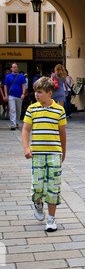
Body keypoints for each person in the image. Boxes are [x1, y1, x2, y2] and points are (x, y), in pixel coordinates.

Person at [22, 76, 67, 232]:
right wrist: (26, 148)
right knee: (38, 186)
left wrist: (63, 152)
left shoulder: (59, 110)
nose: (36, 95)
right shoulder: (32, 109)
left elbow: (62, 133)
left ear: (49, 93)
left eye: (40, 92)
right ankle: (38, 203)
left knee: (53, 186)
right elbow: (26, 129)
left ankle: (51, 219)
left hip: (54, 153)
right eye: (35, 92)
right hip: (38, 154)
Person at [3, 62, 26, 130]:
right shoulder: (8, 76)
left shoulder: (21, 76)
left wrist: (23, 93)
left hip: (19, 95)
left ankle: (17, 122)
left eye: (16, 67)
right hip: (11, 95)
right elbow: (5, 86)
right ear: (11, 68)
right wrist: (6, 95)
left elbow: (23, 85)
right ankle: (13, 124)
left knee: (18, 110)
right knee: (12, 109)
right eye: (14, 67)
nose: (16, 68)